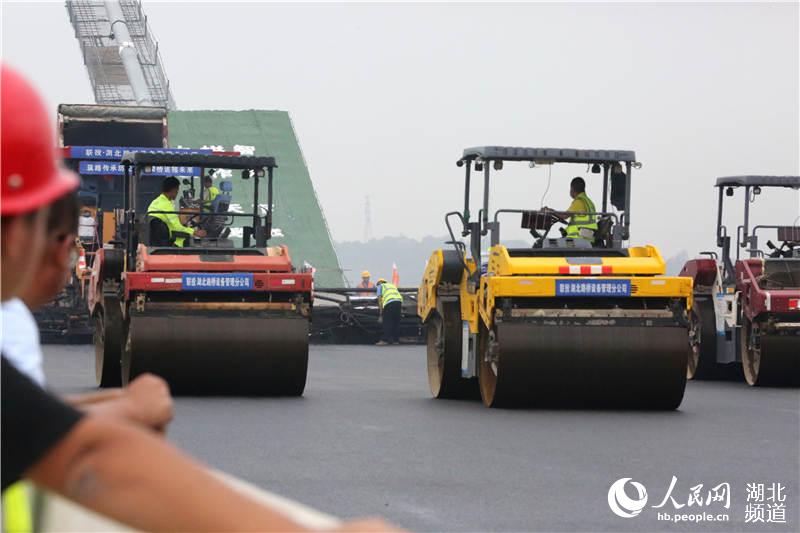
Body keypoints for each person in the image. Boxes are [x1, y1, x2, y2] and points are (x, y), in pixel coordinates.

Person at [1, 63, 399, 533]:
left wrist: (116, 407)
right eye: (50, 218)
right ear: (14, 231)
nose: (60, 241)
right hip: (171, 254)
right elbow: (84, 458)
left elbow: (30, 423)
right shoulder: (159, 210)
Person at [147, 176, 206, 246]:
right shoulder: (166, 205)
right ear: (173, 190)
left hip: (158, 240)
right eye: (177, 189)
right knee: (186, 239)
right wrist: (194, 232)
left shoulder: (156, 202)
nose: (178, 192)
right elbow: (177, 227)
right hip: (166, 241)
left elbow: (171, 223)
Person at [375, 278, 403, 346]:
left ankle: (384, 340)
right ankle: (395, 340)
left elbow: (380, 300)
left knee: (387, 322)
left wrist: (381, 313)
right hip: (398, 303)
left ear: (379, 283)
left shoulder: (380, 286)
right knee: (395, 322)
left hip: (389, 303)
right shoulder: (392, 286)